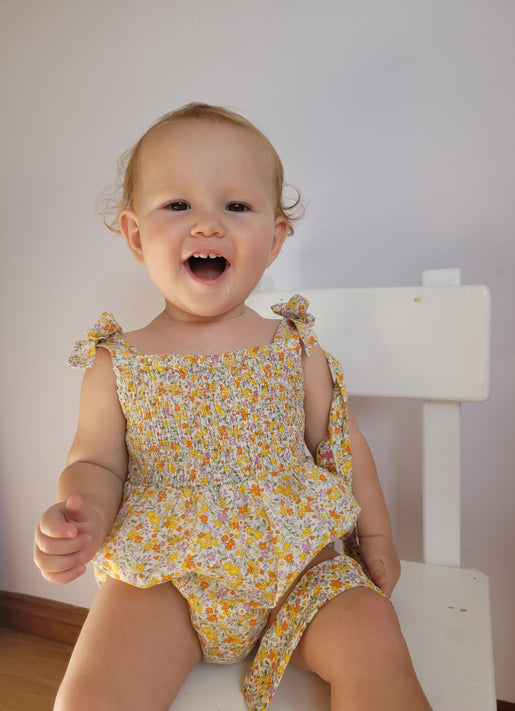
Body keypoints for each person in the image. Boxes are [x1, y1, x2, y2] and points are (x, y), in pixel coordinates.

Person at [34, 102, 431, 711]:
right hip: (168, 577)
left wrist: (375, 534)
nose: (207, 225)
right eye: (178, 204)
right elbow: (97, 463)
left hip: (299, 565)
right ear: (137, 236)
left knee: (374, 640)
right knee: (93, 695)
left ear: (273, 240)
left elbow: (342, 444)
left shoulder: (295, 349)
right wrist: (80, 513)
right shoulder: (117, 363)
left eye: (236, 206)